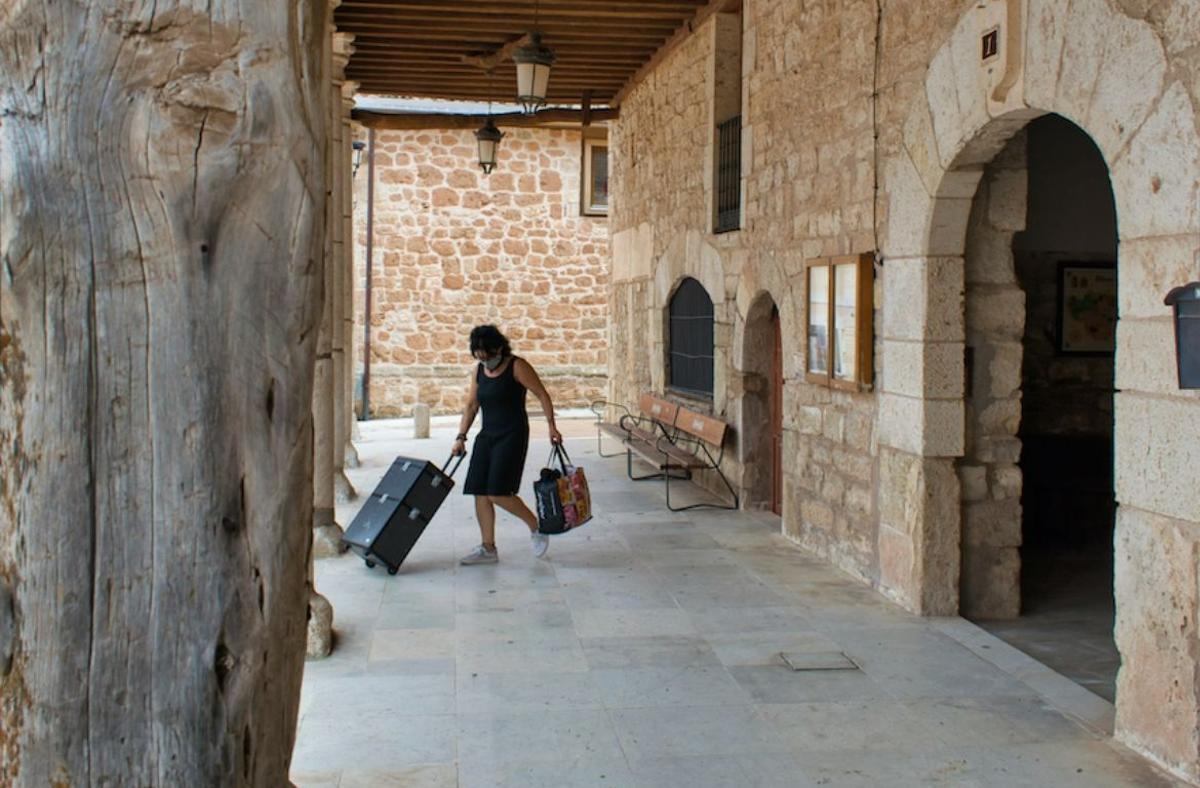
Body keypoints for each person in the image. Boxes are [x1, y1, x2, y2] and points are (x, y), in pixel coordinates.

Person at [452, 325, 562, 564]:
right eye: (478, 353)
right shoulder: (479, 372)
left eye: (487, 353)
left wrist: (551, 426)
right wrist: (460, 437)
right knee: (479, 491)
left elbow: (542, 394)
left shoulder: (517, 366)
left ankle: (537, 526)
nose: (483, 358)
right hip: (487, 435)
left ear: (498, 347)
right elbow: (472, 405)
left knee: (498, 492)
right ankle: (488, 548)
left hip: (512, 435)